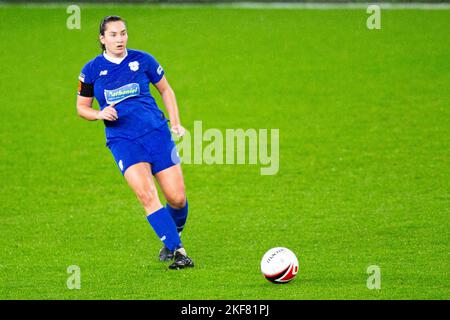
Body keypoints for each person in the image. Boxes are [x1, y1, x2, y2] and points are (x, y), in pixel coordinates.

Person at [76, 16, 193, 270]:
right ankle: (179, 252)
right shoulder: (91, 70)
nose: (120, 39)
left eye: (123, 33)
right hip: (123, 141)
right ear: (102, 39)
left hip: (157, 133)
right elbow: (81, 107)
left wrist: (175, 123)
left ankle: (174, 235)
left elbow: (166, 90)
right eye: (114, 35)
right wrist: (99, 114)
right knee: (147, 195)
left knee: (177, 198)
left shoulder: (143, 60)